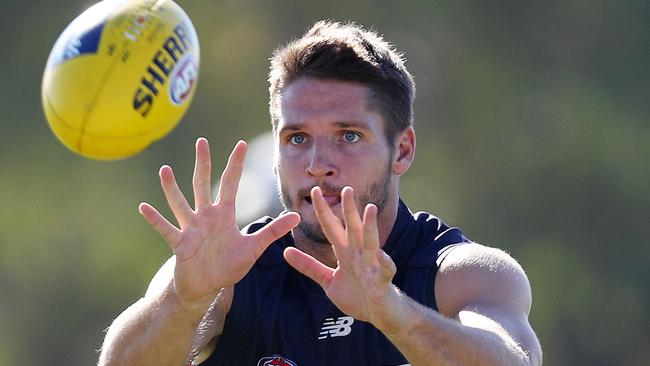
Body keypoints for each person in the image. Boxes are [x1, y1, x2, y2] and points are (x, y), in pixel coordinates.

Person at [98, 20, 542, 366]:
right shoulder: (226, 273)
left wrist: (396, 314)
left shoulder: (460, 274)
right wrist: (186, 300)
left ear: (401, 150)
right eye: (297, 138)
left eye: (348, 136)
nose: (317, 164)